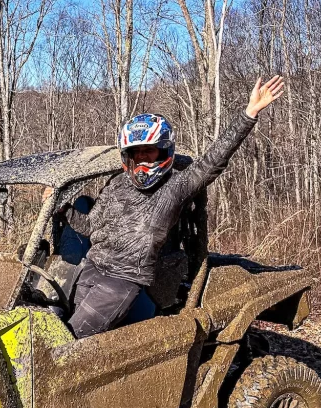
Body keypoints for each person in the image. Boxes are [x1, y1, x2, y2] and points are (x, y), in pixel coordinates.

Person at [56, 75, 285, 338]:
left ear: (163, 151)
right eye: (136, 153)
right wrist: (65, 210)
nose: (142, 160)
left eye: (149, 152)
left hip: (123, 281)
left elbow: (213, 162)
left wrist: (249, 113)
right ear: (127, 156)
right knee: (56, 324)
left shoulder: (174, 188)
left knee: (71, 341)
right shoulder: (117, 184)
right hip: (92, 269)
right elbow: (91, 226)